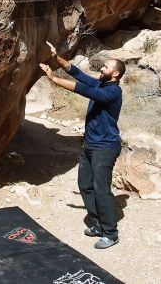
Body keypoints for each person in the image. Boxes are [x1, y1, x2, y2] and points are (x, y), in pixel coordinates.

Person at [39, 41, 125, 249]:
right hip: (90, 145)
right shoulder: (102, 83)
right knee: (85, 185)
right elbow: (78, 74)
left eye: (106, 67)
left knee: (101, 188)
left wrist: (54, 79)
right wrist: (57, 57)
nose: (101, 69)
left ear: (115, 74)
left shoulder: (113, 92)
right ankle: (96, 223)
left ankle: (110, 233)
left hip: (105, 147)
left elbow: (84, 90)